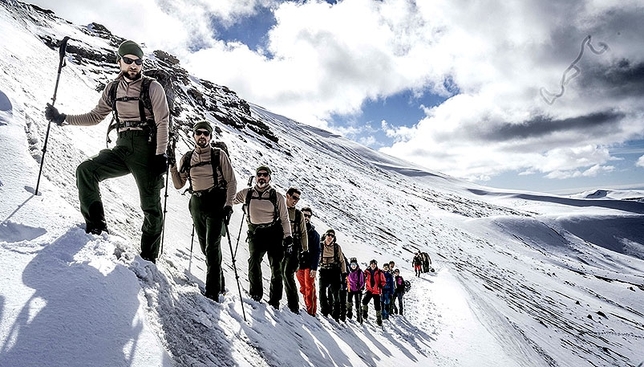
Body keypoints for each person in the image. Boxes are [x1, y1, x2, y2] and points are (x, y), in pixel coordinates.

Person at [45, 40, 169, 263]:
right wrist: (63, 118)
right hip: (121, 146)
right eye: (128, 60)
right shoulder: (112, 89)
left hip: (146, 149)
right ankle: (96, 229)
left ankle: (148, 259)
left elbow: (162, 121)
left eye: (138, 62)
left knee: (151, 208)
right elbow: (95, 116)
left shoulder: (152, 87)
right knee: (86, 171)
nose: (133, 65)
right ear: (119, 61)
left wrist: (161, 154)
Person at [170, 121, 237, 301]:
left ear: (210, 137)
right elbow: (178, 184)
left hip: (216, 202)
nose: (202, 136)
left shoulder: (218, 155)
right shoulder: (187, 157)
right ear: (193, 136)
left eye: (205, 133)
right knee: (205, 247)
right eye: (199, 133)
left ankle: (212, 291)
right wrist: (172, 166)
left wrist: (229, 205)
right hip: (196, 203)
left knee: (212, 246)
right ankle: (220, 285)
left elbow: (231, 182)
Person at [234, 165, 292, 309]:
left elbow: (284, 218)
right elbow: (232, 199)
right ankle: (255, 294)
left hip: (274, 234)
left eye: (265, 175)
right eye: (259, 174)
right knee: (253, 261)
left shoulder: (276, 196)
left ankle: (275, 301)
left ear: (269, 178)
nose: (262, 177)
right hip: (255, 233)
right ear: (255, 176)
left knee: (276, 267)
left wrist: (288, 237)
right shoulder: (247, 193)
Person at [281, 188, 308, 313]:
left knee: (288, 273)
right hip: (280, 244)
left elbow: (303, 233)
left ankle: (293, 305)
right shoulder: (280, 209)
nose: (295, 201)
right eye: (294, 198)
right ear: (287, 196)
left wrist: (305, 250)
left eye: (298, 199)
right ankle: (275, 300)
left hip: (294, 247)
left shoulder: (298, 214)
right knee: (278, 271)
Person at [318, 229, 347, 322]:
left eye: (332, 236)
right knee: (322, 290)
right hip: (323, 271)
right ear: (325, 236)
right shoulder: (320, 246)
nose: (330, 237)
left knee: (335, 293)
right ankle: (324, 309)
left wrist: (344, 273)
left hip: (334, 272)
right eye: (328, 235)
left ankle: (336, 314)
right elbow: (315, 256)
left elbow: (342, 261)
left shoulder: (336, 247)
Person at [296, 206, 320, 316]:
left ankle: (311, 311)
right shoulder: (295, 229)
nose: (306, 217)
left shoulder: (314, 234)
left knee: (310, 287)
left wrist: (314, 268)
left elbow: (316, 252)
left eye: (308, 216)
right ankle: (307, 306)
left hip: (309, 265)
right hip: (298, 264)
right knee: (302, 287)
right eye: (304, 215)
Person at [362, 259, 386, 326]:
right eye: (372, 264)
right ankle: (364, 314)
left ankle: (379, 319)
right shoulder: (366, 271)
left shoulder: (379, 272)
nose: (373, 265)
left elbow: (384, 281)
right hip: (369, 290)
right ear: (370, 265)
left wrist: (381, 285)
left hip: (376, 291)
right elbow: (363, 278)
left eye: (374, 264)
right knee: (364, 301)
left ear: (376, 265)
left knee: (377, 306)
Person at [346, 257, 365, 323]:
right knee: (349, 302)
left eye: (354, 265)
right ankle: (349, 314)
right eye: (352, 265)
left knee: (358, 303)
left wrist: (360, 287)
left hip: (358, 290)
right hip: (350, 289)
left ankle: (359, 316)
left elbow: (362, 281)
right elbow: (347, 280)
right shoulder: (348, 271)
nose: (353, 266)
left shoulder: (360, 272)